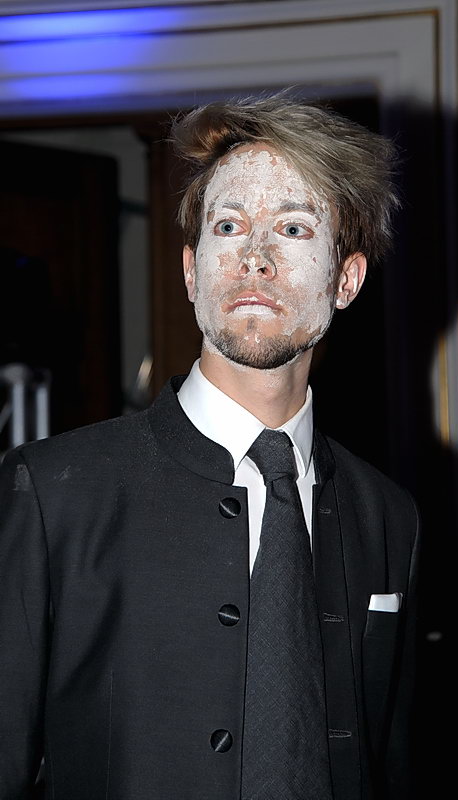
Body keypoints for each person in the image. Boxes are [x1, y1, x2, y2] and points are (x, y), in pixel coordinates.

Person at [0, 95, 419, 800]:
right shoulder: (51, 493)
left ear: (346, 280)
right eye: (230, 226)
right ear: (193, 272)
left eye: (292, 227)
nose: (255, 258)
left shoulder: (389, 516)